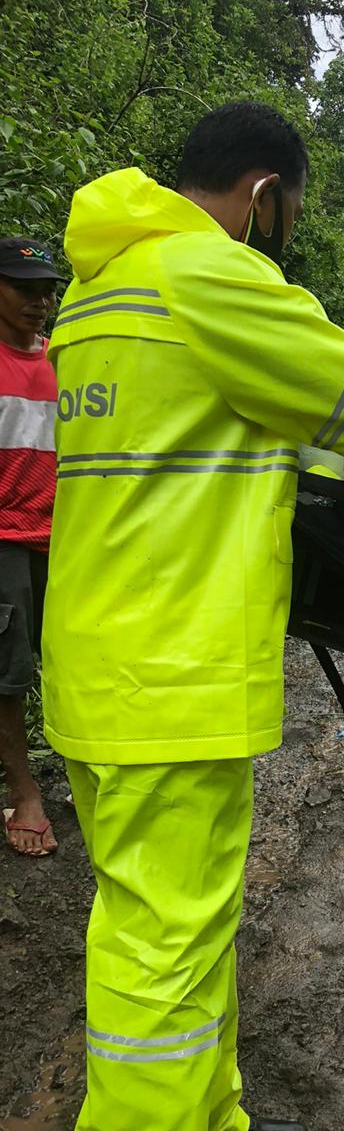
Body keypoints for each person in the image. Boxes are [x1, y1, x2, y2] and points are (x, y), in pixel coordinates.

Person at [42, 101, 344, 1131]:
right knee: (162, 956)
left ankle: (215, 1114)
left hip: (96, 657)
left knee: (175, 921)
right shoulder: (209, 275)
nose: (278, 228)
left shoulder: (96, 288)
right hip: (177, 671)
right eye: (285, 211)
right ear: (262, 194)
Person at [0, 238, 63, 856]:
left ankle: (82, 770)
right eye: (23, 287)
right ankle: (25, 794)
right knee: (9, 677)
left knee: (74, 662)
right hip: (4, 543)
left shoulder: (62, 361)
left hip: (66, 538)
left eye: (45, 288)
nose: (39, 300)